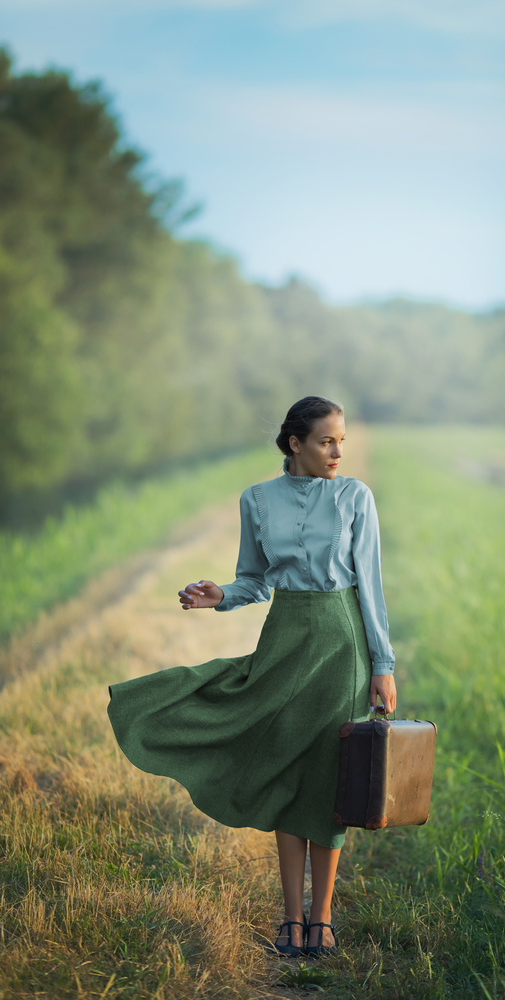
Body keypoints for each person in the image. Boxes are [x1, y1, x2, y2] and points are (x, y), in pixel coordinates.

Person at [107, 395, 396, 957]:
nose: (338, 452)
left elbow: (372, 588)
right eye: (326, 441)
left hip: (342, 644)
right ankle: (291, 918)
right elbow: (254, 581)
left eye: (342, 441)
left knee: (328, 779)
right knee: (286, 771)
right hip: (284, 638)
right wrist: (220, 596)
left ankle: (324, 917)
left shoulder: (355, 496)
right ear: (295, 444)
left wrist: (382, 665)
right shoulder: (257, 500)